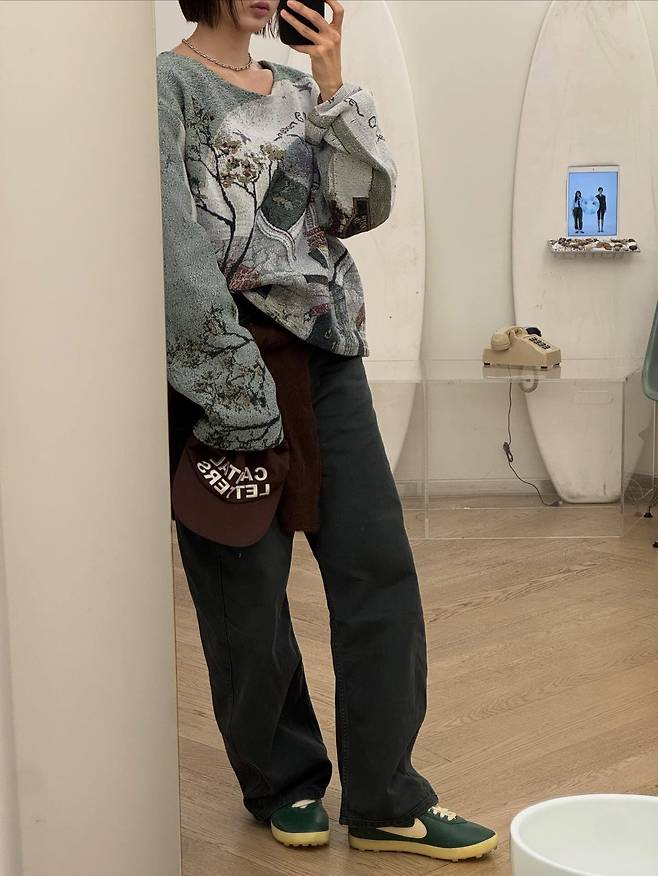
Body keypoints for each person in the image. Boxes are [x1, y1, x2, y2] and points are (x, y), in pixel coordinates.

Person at [156, 0, 498, 862]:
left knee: (378, 570)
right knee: (247, 598)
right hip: (224, 365)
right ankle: (283, 781)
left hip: (327, 359)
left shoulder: (301, 87)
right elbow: (172, 247)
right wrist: (229, 380)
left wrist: (336, 81)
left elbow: (355, 211)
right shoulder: (167, 87)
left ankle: (387, 796)